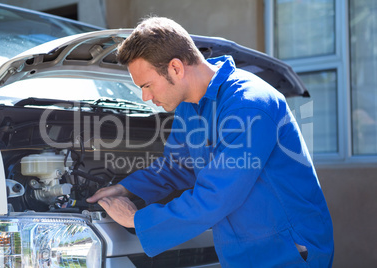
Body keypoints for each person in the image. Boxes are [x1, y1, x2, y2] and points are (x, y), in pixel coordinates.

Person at [87, 17, 334, 267]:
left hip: (286, 250)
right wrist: (126, 188)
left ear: (175, 68)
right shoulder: (189, 107)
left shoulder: (248, 104)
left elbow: (217, 196)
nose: (146, 96)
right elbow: (177, 166)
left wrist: (136, 220)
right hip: (240, 252)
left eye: (148, 85)